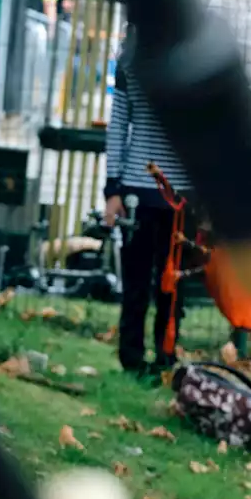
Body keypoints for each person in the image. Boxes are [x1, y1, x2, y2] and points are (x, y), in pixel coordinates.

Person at [104, 25, 197, 378]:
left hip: (182, 195)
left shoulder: (192, 58)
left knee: (173, 283)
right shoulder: (131, 59)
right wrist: (112, 189)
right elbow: (118, 124)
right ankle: (132, 360)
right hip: (137, 189)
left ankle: (165, 357)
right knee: (137, 282)